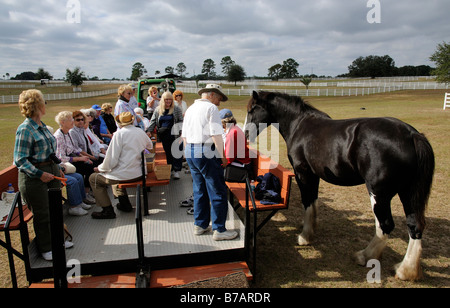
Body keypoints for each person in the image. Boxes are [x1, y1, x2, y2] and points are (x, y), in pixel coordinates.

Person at [14, 89, 73, 261]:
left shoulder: (41, 126)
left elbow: (50, 151)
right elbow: (20, 160)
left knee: (55, 208)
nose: (45, 105)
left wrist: (57, 167)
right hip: (35, 177)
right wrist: (40, 174)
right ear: (37, 105)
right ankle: (47, 247)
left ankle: (59, 240)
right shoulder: (25, 129)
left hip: (50, 170)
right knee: (43, 213)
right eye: (43, 102)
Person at [182, 84, 238, 241]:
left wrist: (188, 154)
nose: (219, 102)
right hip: (205, 150)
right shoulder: (211, 108)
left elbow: (184, 135)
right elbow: (216, 135)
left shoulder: (191, 108)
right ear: (212, 95)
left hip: (191, 150)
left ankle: (200, 225)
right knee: (217, 190)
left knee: (199, 189)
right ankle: (219, 229)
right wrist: (223, 157)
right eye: (219, 98)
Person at [89, 112, 153, 219]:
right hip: (140, 173)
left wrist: (100, 169)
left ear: (119, 123)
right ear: (132, 121)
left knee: (93, 178)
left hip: (126, 175)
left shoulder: (119, 134)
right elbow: (149, 145)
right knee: (113, 175)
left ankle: (107, 210)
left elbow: (111, 159)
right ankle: (124, 204)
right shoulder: (140, 131)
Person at [54, 111, 95, 216]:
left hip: (71, 161)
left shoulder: (67, 133)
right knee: (77, 176)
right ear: (63, 122)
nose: (72, 121)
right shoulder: (59, 136)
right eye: (70, 120)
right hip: (63, 165)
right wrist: (79, 159)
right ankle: (74, 206)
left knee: (79, 176)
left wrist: (85, 157)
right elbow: (61, 157)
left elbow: (75, 149)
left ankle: (81, 201)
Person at [148, 91, 183, 179]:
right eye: (166, 99)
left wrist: (181, 132)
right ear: (163, 100)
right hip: (164, 135)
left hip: (175, 134)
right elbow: (153, 121)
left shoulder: (176, 109)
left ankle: (176, 170)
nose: (168, 101)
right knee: (168, 152)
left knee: (176, 152)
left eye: (170, 100)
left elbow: (181, 121)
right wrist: (149, 130)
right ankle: (170, 169)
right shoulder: (158, 109)